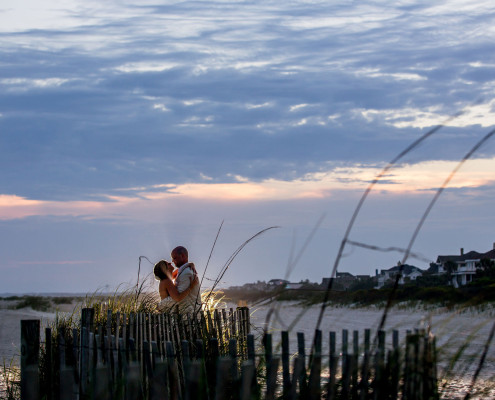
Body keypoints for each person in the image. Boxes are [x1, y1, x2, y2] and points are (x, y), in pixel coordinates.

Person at [169, 246, 201, 313]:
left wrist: (161, 304)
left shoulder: (186, 273)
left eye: (174, 258)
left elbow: (178, 297)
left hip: (189, 315)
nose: (172, 261)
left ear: (182, 256)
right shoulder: (182, 271)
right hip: (189, 313)